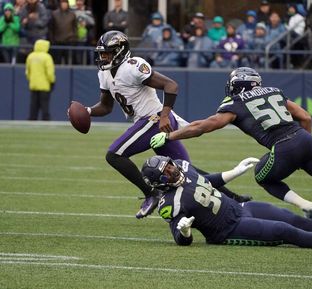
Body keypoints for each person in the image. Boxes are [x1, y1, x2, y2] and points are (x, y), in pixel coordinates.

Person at [150, 67, 312, 238]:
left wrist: (170, 135)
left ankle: (306, 205)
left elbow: (203, 126)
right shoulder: (274, 91)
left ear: (238, 86)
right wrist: (305, 146)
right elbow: (305, 117)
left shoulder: (234, 104)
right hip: (305, 140)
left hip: (283, 145)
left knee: (261, 174)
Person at [75, 31, 251, 219]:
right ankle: (235, 199)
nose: (103, 58)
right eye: (102, 54)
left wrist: (165, 115)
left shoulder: (133, 66)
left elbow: (171, 85)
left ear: (120, 51)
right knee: (187, 172)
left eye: (107, 53)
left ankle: (151, 194)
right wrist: (88, 111)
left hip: (154, 119)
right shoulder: (104, 74)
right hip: (150, 122)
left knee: (114, 155)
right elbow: (106, 106)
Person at [141, 155, 312, 251]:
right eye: (167, 172)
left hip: (240, 209)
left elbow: (207, 180)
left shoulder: (184, 166)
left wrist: (235, 171)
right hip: (228, 230)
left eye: (170, 165)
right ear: (160, 182)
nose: (172, 170)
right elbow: (180, 238)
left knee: (292, 218)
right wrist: (183, 231)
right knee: (284, 231)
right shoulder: (169, 202)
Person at [25, 39, 55, 120]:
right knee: (44, 105)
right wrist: (52, 81)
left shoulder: (30, 56)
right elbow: (50, 73)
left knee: (33, 105)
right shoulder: (47, 57)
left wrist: (30, 80)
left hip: (33, 85)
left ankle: (32, 119)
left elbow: (27, 72)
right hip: (44, 85)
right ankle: (45, 119)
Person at [49, 0, 77, 65]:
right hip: (57, 41)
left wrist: (74, 38)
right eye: (62, 3)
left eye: (65, 3)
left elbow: (75, 28)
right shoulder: (54, 14)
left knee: (69, 61)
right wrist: (52, 40)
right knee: (57, 61)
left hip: (69, 41)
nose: (64, 4)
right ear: (60, 4)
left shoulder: (72, 14)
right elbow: (51, 28)